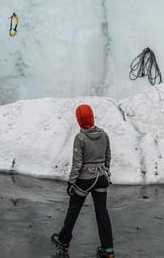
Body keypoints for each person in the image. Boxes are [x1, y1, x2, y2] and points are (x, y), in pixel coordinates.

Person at [51, 104, 115, 258]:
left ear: (79, 119)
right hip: (101, 178)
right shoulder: (104, 135)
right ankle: (108, 249)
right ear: (92, 117)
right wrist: (105, 171)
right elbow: (108, 157)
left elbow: (77, 163)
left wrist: (71, 182)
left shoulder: (80, 138)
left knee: (73, 209)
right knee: (102, 212)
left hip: (85, 179)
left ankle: (63, 240)